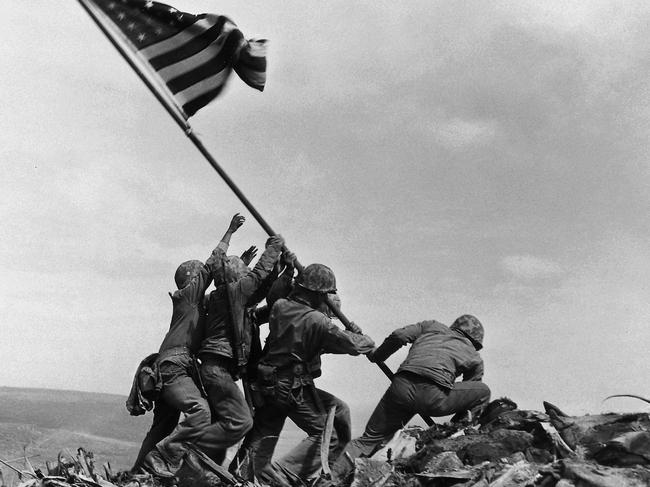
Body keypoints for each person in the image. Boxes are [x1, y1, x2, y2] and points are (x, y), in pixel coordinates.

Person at [234, 264, 375, 486]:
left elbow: (317, 342)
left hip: (267, 383)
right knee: (327, 436)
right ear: (319, 294)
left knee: (263, 438)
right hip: (292, 387)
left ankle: (241, 476)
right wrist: (364, 338)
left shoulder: (280, 307)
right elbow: (354, 346)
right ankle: (284, 473)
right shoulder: (317, 321)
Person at [134, 214, 245, 477]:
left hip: (168, 368)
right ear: (191, 279)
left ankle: (137, 474)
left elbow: (224, 287)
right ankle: (164, 460)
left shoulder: (192, 304)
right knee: (200, 411)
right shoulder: (188, 296)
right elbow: (211, 265)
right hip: (175, 367)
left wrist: (242, 266)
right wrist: (229, 232)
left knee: (162, 426)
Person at [330, 315, 490, 482]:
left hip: (401, 388)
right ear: (476, 342)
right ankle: (456, 434)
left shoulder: (431, 326)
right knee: (483, 391)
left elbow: (399, 336)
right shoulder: (475, 357)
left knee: (367, 441)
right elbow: (469, 395)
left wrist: (378, 355)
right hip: (434, 397)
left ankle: (330, 479)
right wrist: (456, 425)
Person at [196, 233, 288, 464]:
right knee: (242, 421)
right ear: (237, 277)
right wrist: (274, 247)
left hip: (217, 368)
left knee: (224, 424)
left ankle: (204, 469)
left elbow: (263, 291)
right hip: (218, 369)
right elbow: (258, 277)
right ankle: (184, 447)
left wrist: (283, 270)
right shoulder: (233, 292)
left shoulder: (227, 299)